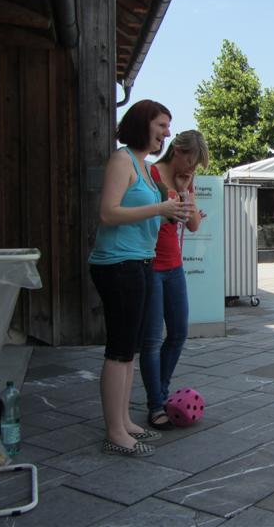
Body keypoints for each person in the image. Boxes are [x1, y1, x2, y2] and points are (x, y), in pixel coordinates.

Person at [88, 99, 188, 457]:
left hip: (142, 263)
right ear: (142, 124)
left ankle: (124, 421)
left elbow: (144, 214)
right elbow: (108, 213)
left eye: (168, 126)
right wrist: (160, 207)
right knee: (119, 351)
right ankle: (114, 432)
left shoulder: (146, 168)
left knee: (130, 349)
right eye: (161, 125)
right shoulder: (122, 160)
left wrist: (170, 213)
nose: (167, 133)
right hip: (118, 264)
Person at [141, 130, 208, 429]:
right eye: (190, 161)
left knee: (179, 332)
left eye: (196, 166)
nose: (191, 169)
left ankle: (161, 392)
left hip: (175, 266)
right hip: (151, 265)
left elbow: (193, 225)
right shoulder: (151, 174)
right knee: (152, 339)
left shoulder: (186, 179)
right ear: (177, 150)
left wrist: (183, 191)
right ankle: (156, 404)